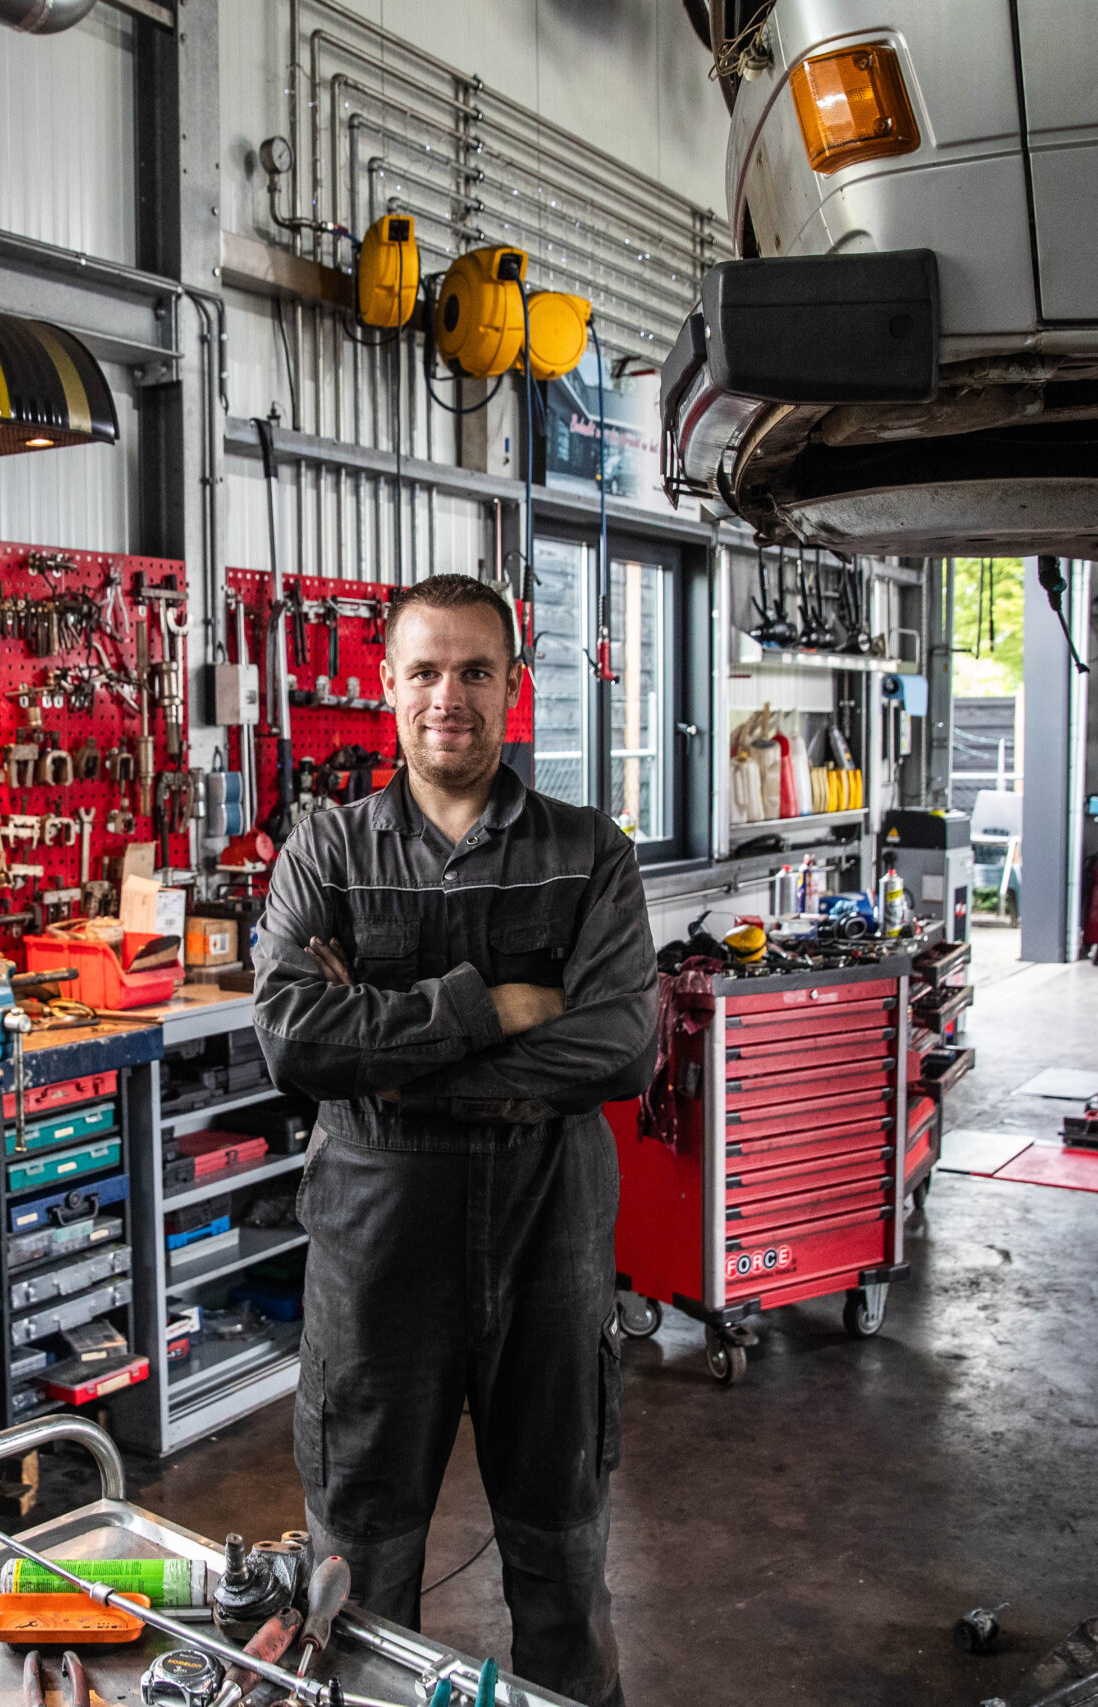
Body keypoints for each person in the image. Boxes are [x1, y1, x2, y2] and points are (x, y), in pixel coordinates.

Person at [252, 573, 658, 1707]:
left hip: (550, 1237)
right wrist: (496, 1006)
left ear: (513, 689)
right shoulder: (325, 853)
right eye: (425, 671)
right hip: (377, 1249)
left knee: (561, 1548)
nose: (450, 698)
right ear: (387, 689)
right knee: (358, 1559)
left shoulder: (591, 853)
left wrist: (390, 1062)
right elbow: (293, 1044)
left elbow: (621, 1051)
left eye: (475, 671)